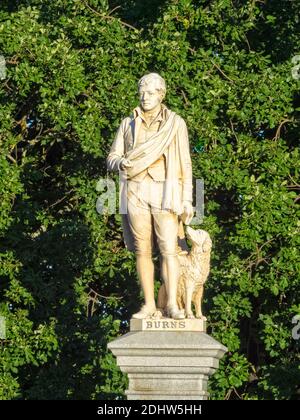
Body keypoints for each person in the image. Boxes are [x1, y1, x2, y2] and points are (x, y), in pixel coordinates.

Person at [107, 73, 193, 319]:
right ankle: (149, 304)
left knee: (169, 249)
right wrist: (121, 162)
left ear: (161, 95)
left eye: (151, 93)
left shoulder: (175, 124)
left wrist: (187, 199)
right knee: (142, 250)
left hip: (165, 191)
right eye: (142, 93)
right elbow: (112, 157)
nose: (145, 97)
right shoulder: (128, 123)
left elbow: (185, 163)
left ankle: (173, 305)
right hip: (135, 190)